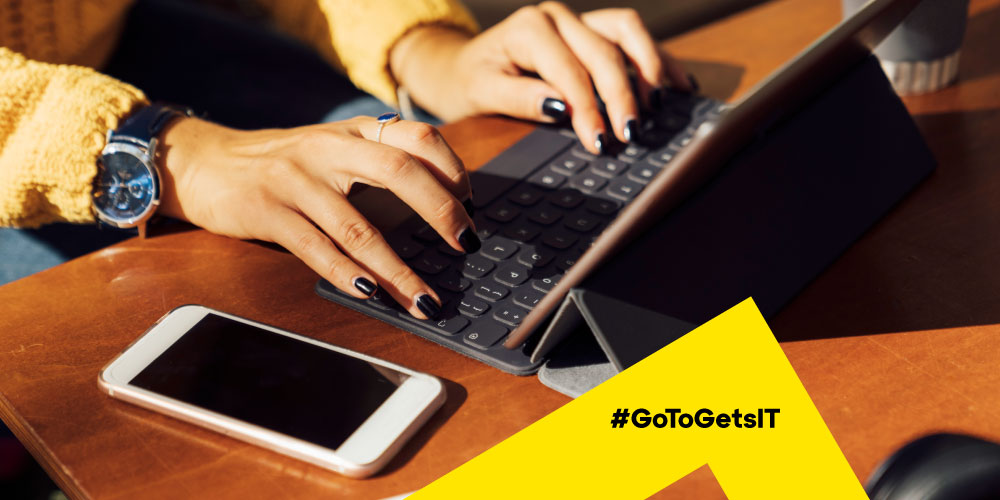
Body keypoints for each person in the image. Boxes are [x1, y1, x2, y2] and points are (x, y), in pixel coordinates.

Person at [0, 0, 691, 320]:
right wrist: (173, 154)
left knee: (405, 187)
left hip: (122, 38)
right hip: (23, 129)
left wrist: (424, 50)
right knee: (257, 304)